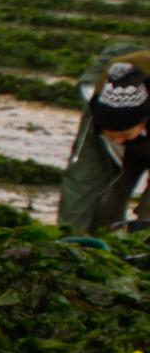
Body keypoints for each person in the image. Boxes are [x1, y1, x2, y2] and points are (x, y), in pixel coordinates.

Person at [59, 54, 150, 234]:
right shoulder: (98, 110)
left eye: (124, 135)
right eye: (111, 135)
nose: (119, 141)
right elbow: (82, 180)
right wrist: (69, 239)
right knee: (101, 198)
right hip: (109, 112)